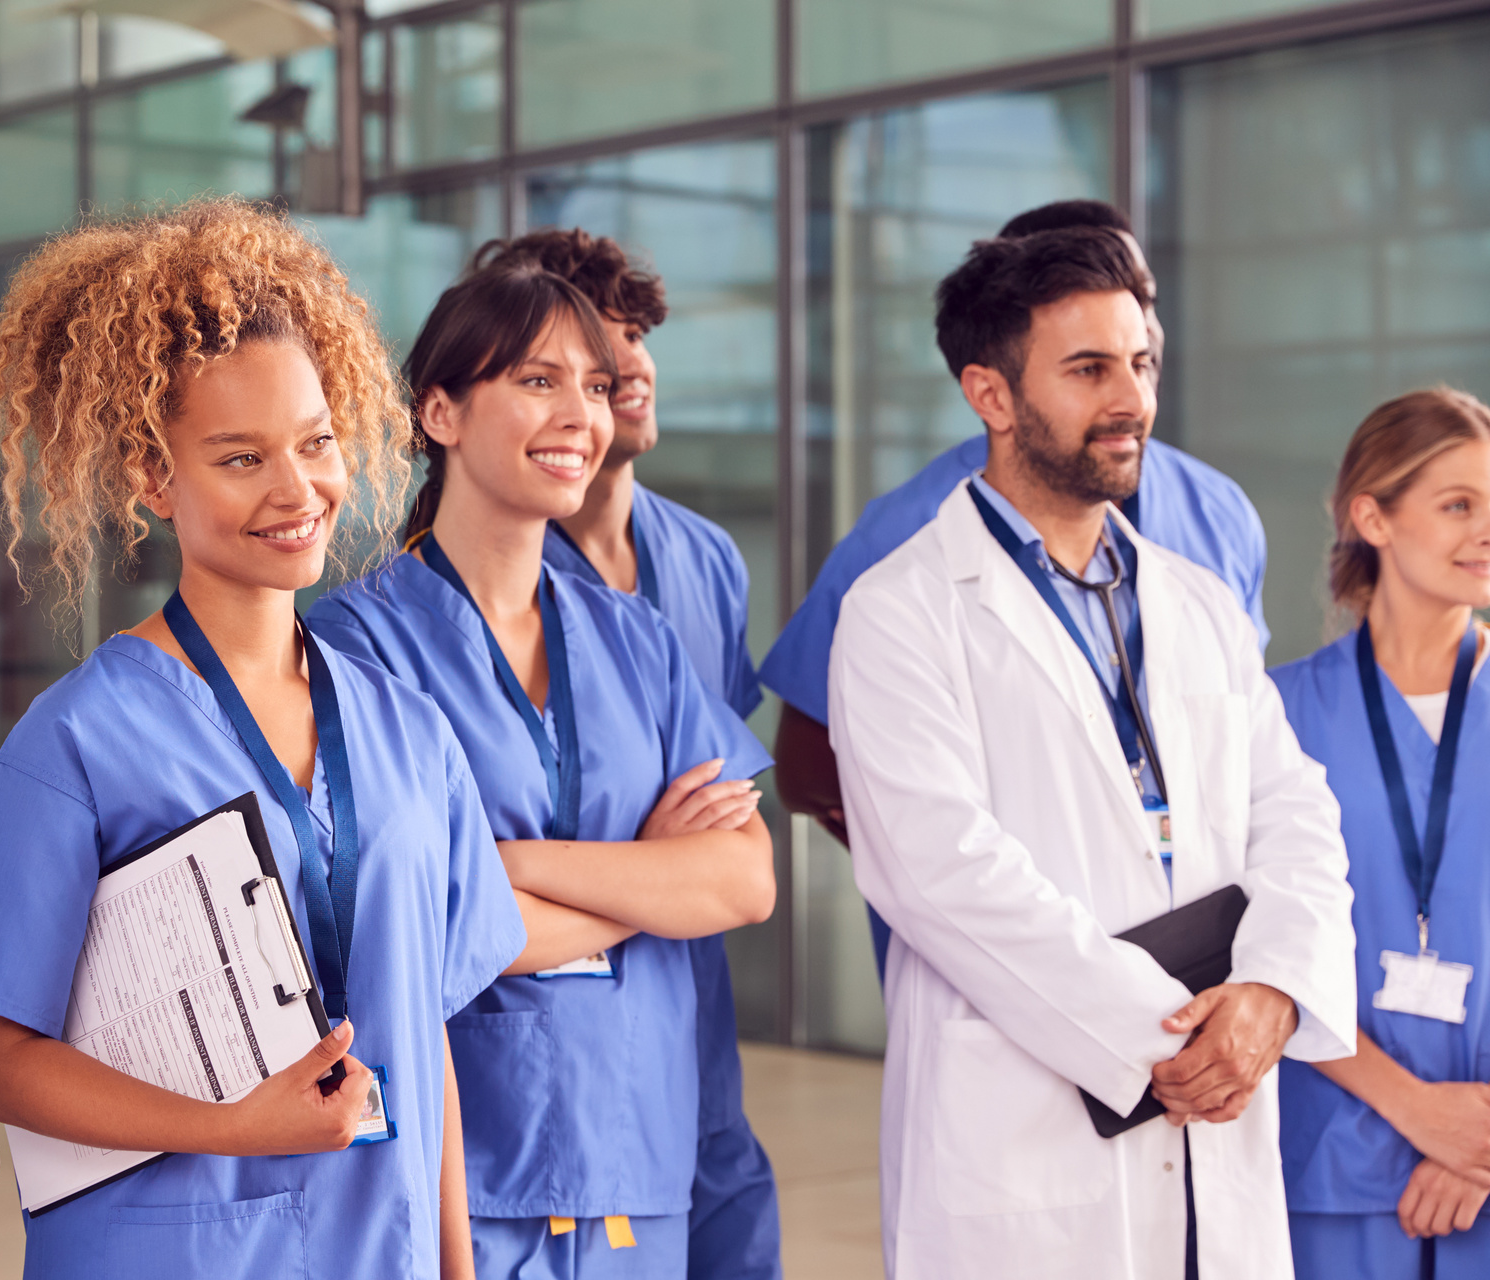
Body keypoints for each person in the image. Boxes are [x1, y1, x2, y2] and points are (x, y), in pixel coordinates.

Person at [0, 199, 525, 1280]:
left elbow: (429, 1038)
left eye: (317, 442)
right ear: (155, 478)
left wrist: (458, 1265)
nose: (298, 490)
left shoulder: (410, 730)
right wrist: (232, 1122)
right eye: (240, 458)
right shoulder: (85, 738)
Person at [828, 226, 1356, 1278]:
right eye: (1088, 369)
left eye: (1141, 362)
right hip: (1028, 1133)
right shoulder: (900, 613)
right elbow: (939, 871)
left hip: (1220, 1109)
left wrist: (1273, 993)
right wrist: (1168, 1036)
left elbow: (1296, 812)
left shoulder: (1195, 601)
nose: (1131, 399)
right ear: (990, 393)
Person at [307, 263, 776, 1278]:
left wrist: (504, 864)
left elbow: (743, 877)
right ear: (440, 410)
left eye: (597, 387)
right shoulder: (354, 647)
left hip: (636, 1155)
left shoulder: (636, 640)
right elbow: (403, 927)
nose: (581, 414)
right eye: (536, 380)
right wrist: (650, 881)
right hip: (458, 1166)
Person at [763, 201, 1267, 973]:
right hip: (998, 989)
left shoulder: (1220, 517)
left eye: (1143, 308)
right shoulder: (898, 548)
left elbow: (1258, 768)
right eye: (1086, 357)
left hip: (1203, 974)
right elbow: (806, 768)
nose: (1138, 349)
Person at [470, 229, 779, 1279]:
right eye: (586, 348)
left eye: (633, 339)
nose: (628, 364)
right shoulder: (457, 587)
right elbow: (430, 905)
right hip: (529, 1062)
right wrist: (655, 873)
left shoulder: (701, 560)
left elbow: (735, 850)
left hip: (685, 1029)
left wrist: (520, 866)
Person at [1270, 388, 1490, 1277]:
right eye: (1457, 505)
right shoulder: (1274, 715)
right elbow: (1251, 950)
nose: (1485, 530)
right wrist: (1417, 1111)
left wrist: (1474, 1138)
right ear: (1373, 516)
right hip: (1337, 1154)